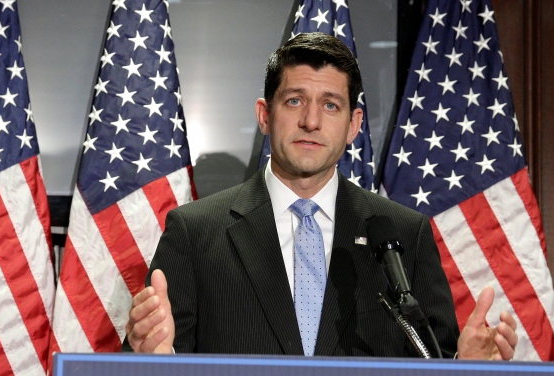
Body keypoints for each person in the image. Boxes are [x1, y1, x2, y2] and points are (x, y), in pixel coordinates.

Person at [125, 33, 517, 359]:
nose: (311, 121)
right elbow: (147, 365)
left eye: (331, 105)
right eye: (294, 100)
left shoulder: (402, 233)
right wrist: (149, 356)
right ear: (265, 115)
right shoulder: (196, 232)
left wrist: (467, 371)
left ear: (353, 124)